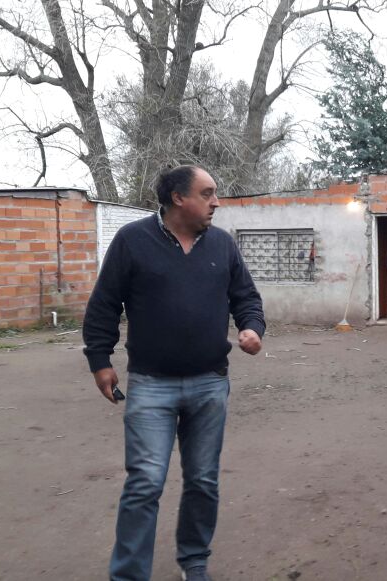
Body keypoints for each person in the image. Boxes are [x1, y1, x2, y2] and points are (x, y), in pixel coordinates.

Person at [83, 165, 265, 581]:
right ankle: (129, 575)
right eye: (208, 193)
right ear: (179, 198)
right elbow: (104, 304)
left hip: (210, 383)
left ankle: (194, 560)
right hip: (150, 385)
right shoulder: (133, 241)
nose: (216, 201)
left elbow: (246, 298)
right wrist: (100, 360)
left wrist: (252, 327)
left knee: (202, 480)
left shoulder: (222, 245)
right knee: (145, 482)